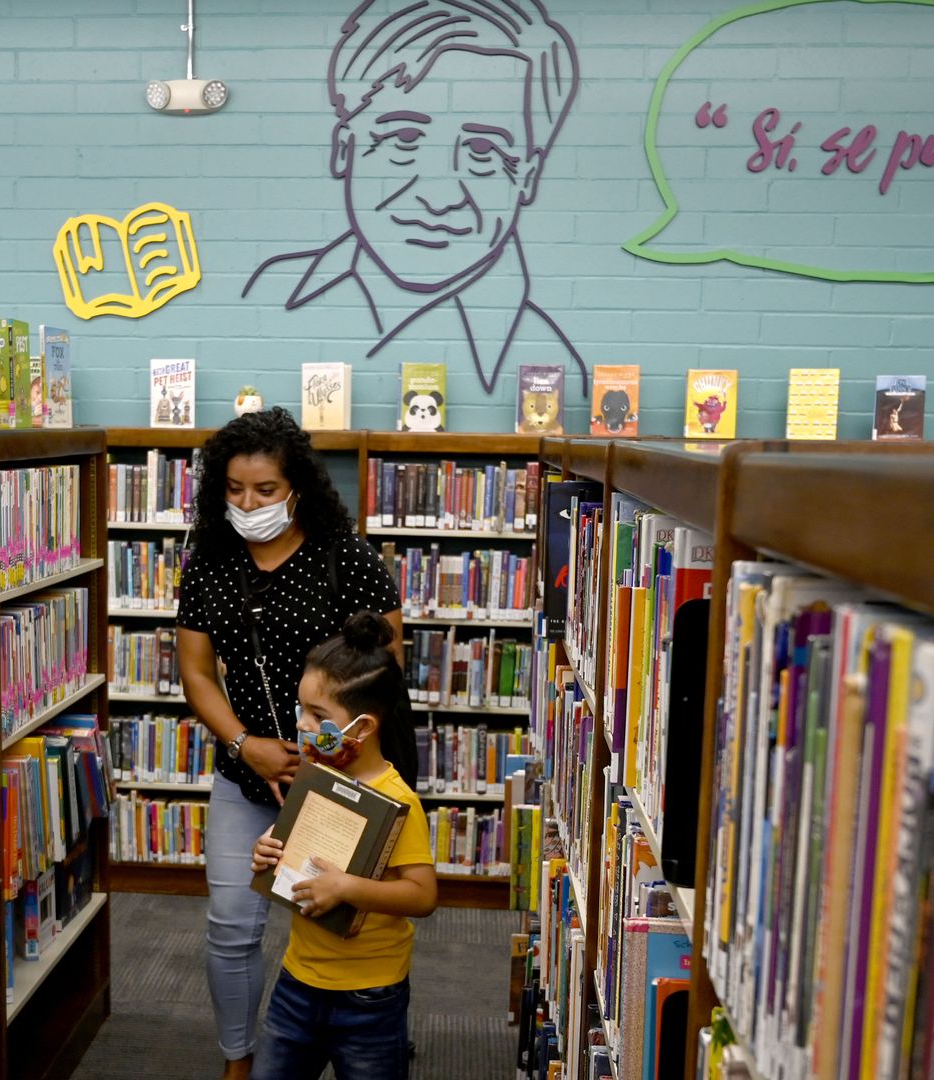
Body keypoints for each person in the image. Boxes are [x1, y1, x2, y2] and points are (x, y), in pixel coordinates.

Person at [177, 408, 403, 1080]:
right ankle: (238, 1059)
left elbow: (384, 668)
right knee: (231, 926)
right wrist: (246, 744)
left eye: (266, 490)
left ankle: (369, 1039)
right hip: (247, 773)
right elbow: (195, 671)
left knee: (345, 920)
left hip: (340, 776)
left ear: (297, 487)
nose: (249, 504)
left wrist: (327, 755)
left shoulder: (347, 557)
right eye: (236, 490)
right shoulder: (210, 564)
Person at [241, 0, 585, 394]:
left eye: (482, 152)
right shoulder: (269, 291)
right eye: (404, 140)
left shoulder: (558, 372)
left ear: (528, 175)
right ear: (343, 149)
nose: (439, 198)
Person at [248, 611, 436, 1080]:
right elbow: (295, 853)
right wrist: (268, 851)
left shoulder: (397, 800)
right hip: (298, 981)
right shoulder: (316, 778)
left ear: (364, 727)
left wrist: (347, 888)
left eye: (319, 716)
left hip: (370, 996)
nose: (304, 725)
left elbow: (423, 895)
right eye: (302, 709)